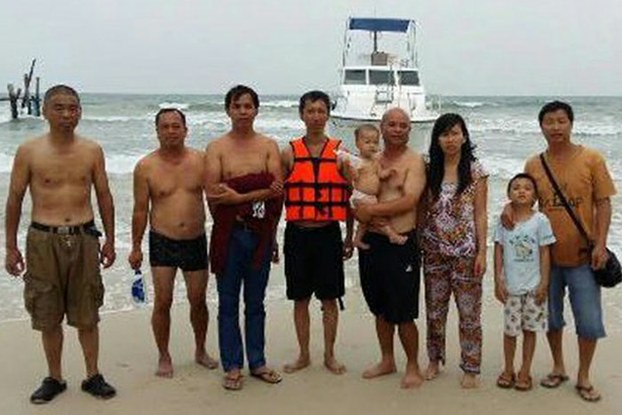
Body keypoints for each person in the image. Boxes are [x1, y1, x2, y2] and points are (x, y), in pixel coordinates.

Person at [4, 85, 117, 403]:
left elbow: (104, 195)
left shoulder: (92, 150)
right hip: (43, 239)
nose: (67, 114)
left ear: (80, 111)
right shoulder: (29, 151)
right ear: (44, 110)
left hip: (84, 237)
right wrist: (10, 247)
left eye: (73, 108)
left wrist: (109, 240)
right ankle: (54, 377)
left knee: (88, 311)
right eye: (59, 107)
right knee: (47, 312)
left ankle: (92, 375)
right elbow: (14, 199)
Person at [504, 101, 616, 402]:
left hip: (584, 256)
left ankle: (584, 376)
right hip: (545, 260)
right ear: (541, 127)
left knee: (589, 321)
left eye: (561, 121)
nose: (556, 127)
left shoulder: (591, 158)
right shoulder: (534, 164)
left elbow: (604, 202)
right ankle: (558, 367)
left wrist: (601, 244)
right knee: (551, 319)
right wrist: (505, 212)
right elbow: (523, 199)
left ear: (571, 124)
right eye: (549, 122)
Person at [128, 108, 218, 378]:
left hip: (195, 240)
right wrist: (135, 246)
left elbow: (213, 200)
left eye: (175, 126)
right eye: (165, 126)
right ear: (157, 131)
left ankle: (200, 350)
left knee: (198, 300)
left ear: (185, 129)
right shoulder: (146, 166)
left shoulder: (201, 160)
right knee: (163, 301)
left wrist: (223, 237)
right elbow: (140, 210)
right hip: (162, 240)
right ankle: (164, 354)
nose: (170, 131)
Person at [205, 85, 283, 391]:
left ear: (256, 110)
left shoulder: (267, 146)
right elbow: (213, 194)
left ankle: (258, 361)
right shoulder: (217, 148)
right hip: (229, 233)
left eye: (248, 106)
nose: (242, 111)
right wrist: (254, 194)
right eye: (237, 106)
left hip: (260, 233)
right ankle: (233, 365)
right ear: (228, 110)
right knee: (227, 303)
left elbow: (277, 189)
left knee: (256, 302)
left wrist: (238, 194)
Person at [281, 90, 353, 375]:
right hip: (297, 233)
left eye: (321, 111)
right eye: (310, 111)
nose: (316, 117)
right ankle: (303, 354)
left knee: (329, 298)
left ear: (328, 115)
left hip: (328, 234)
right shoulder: (287, 152)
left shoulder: (340, 153)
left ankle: (330, 355)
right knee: (300, 298)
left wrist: (349, 236)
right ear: (302, 114)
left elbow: (350, 198)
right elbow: (277, 199)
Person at [354, 107, 427, 389]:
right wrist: (357, 214)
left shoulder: (414, 161)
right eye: (392, 124)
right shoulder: (372, 159)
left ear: (410, 130)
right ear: (381, 128)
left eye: (403, 125)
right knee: (380, 306)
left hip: (401, 242)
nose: (397, 129)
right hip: (373, 242)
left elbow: (409, 200)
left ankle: (412, 364)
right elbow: (355, 189)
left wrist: (369, 213)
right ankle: (387, 359)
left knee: (404, 310)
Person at [420, 113, 488, 388]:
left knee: (469, 313)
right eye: (445, 134)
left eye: (455, 133)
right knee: (435, 310)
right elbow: (421, 208)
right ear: (437, 139)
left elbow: (481, 214)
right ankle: (434, 359)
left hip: (466, 252)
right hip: (433, 250)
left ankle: (471, 366)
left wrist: (482, 252)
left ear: (464, 136)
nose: (450, 139)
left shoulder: (476, 170)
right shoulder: (428, 169)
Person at [494, 173, 556, 391]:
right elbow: (499, 251)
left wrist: (544, 283)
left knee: (530, 330)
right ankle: (508, 368)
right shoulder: (503, 221)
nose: (521, 191)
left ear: (535, 196)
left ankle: (525, 371)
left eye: (527, 188)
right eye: (516, 187)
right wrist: (497, 281)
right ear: (509, 194)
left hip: (533, 287)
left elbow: (545, 253)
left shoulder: (541, 221)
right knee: (510, 331)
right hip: (511, 287)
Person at [342, 123, 406, 249]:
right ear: (358, 144)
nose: (372, 145)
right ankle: (391, 234)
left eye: (375, 142)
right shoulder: (358, 161)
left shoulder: (375, 161)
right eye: (367, 142)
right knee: (379, 217)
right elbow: (353, 178)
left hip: (371, 197)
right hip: (361, 196)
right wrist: (352, 171)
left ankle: (357, 240)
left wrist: (389, 172)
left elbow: (380, 175)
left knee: (364, 223)